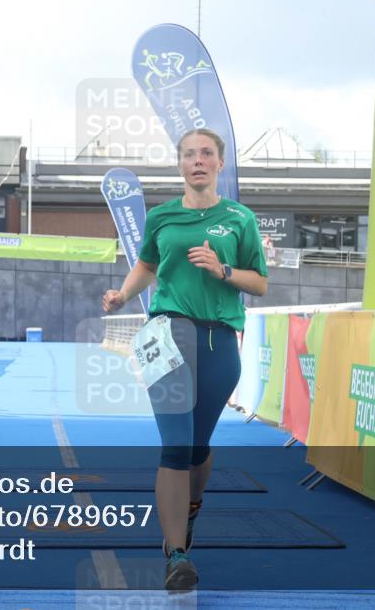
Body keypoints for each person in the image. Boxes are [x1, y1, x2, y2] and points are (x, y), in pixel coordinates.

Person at [101, 128, 268, 591]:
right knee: (175, 446)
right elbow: (148, 265)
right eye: (190, 154)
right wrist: (122, 293)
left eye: (207, 154)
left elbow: (260, 283)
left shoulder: (240, 219)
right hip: (167, 335)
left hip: (219, 344)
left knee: (197, 449)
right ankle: (176, 555)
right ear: (180, 165)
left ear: (220, 163)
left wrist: (223, 270)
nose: (198, 160)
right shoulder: (162, 217)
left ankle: (190, 510)